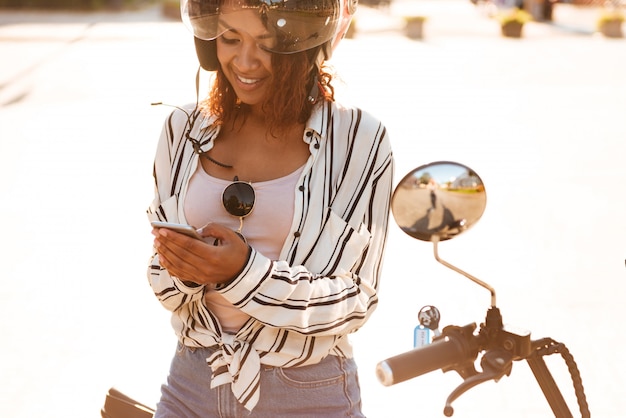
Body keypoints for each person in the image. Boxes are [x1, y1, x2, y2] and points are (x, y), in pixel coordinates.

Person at [147, 0, 393, 415]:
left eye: (267, 43)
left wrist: (242, 274)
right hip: (190, 384)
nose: (245, 61)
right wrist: (186, 269)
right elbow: (160, 277)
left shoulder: (358, 138)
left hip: (306, 393)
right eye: (229, 38)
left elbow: (356, 298)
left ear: (303, 44)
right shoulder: (182, 128)